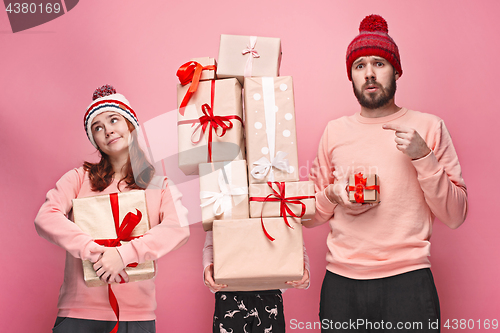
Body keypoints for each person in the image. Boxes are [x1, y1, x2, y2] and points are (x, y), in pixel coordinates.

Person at [306, 15, 468, 332]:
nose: (369, 74)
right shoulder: (334, 131)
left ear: (396, 71)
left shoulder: (429, 127)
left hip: (409, 282)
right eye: (359, 65)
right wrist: (333, 195)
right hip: (342, 284)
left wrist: (424, 157)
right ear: (351, 76)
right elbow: (309, 215)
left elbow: (456, 215)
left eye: (379, 63)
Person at [34, 85, 190, 333]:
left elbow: (178, 228)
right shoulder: (78, 179)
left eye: (113, 119)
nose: (107, 130)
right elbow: (46, 217)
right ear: (94, 139)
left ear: (130, 124)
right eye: (97, 127)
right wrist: (94, 251)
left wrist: (123, 255)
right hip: (79, 313)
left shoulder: (158, 185)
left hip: (136, 315)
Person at [203, 231, 310, 333]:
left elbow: (295, 241)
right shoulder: (221, 211)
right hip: (228, 291)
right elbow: (213, 242)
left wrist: (304, 269)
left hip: (270, 292)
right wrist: (208, 269)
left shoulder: (283, 210)